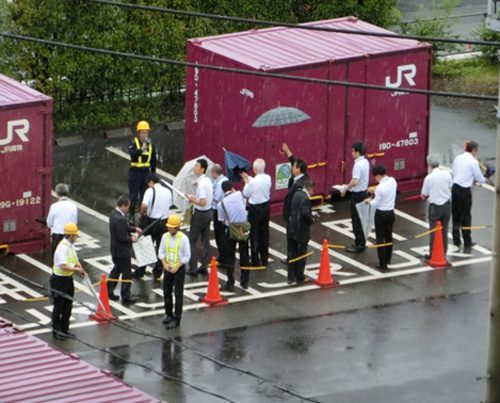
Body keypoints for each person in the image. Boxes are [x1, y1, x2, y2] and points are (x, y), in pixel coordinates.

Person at [50, 222, 87, 340]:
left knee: (68, 305)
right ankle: (57, 330)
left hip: (68, 279)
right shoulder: (62, 248)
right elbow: (63, 266)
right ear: (70, 235)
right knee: (59, 306)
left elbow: (75, 259)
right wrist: (77, 269)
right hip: (59, 280)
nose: (76, 237)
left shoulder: (71, 246)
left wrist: (80, 269)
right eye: (75, 235)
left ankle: (65, 329)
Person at [134, 173, 173, 280]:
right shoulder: (167, 191)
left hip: (152, 222)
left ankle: (141, 271)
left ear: (151, 182)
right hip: (165, 222)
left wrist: (141, 213)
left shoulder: (150, 191)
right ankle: (158, 271)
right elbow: (170, 205)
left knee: (145, 246)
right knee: (161, 248)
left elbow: (144, 205)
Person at [451, 141, 486, 251]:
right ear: (474, 150)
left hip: (455, 188)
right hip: (464, 190)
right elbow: (480, 178)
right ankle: (467, 241)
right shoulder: (473, 162)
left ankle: (456, 239)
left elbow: (455, 171)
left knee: (455, 214)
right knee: (465, 216)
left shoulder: (458, 158)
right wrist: (483, 180)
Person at [158, 214, 191, 329]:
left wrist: (178, 266)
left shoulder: (184, 239)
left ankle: (177, 319)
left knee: (178, 294)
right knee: (166, 292)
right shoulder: (164, 237)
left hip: (179, 269)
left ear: (177, 227)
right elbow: (161, 252)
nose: (169, 228)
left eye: (171, 227)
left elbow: (187, 256)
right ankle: (168, 314)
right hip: (168, 268)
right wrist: (164, 264)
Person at [217, 180, 251, 291]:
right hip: (243, 228)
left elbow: (222, 220)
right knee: (244, 254)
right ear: (232, 187)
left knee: (230, 256)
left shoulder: (221, 204)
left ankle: (230, 282)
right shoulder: (239, 194)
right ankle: (245, 281)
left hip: (231, 229)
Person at [108, 195, 142, 304]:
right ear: (123, 206)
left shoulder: (114, 215)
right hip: (123, 251)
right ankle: (126, 295)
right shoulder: (121, 219)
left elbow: (124, 227)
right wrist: (132, 238)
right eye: (127, 207)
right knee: (126, 273)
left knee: (116, 270)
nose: (128, 209)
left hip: (115, 249)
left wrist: (133, 228)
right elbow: (122, 236)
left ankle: (109, 290)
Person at [364, 165, 397, 270]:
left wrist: (369, 202)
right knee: (388, 236)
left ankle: (382, 263)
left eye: (375, 177)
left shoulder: (380, 188)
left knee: (380, 238)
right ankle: (388, 258)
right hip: (391, 212)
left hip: (381, 214)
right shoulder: (392, 181)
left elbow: (376, 203)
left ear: (378, 175)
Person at [281, 142, 309, 265]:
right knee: (290, 238)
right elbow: (294, 161)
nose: (292, 168)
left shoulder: (302, 183)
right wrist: (288, 151)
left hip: (295, 217)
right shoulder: (301, 177)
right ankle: (291, 257)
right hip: (292, 216)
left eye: (294, 167)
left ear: (298, 169)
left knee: (295, 239)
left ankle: (295, 259)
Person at [421, 155, 452, 259]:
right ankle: (444, 250)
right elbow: (450, 186)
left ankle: (433, 252)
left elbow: (424, 194)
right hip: (447, 205)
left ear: (429, 164)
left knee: (434, 231)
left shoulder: (429, 178)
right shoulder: (447, 174)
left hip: (435, 207)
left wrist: (425, 195)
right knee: (445, 229)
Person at [242, 158, 272, 267]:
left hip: (255, 208)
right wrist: (249, 180)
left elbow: (245, 193)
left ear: (254, 169)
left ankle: (255, 259)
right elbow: (257, 183)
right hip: (266, 206)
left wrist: (246, 182)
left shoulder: (252, 182)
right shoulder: (268, 178)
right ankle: (265, 258)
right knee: (264, 232)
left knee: (254, 234)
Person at [186, 158, 213, 276]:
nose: (194, 168)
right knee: (205, 241)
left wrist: (192, 199)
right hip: (208, 213)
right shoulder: (207, 180)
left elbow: (202, 202)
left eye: (197, 166)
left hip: (200, 214)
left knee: (192, 241)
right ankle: (204, 266)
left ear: (202, 169)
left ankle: (192, 268)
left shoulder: (202, 184)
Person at [287, 179, 316, 285]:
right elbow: (305, 214)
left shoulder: (296, 194)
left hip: (292, 228)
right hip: (301, 231)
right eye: (313, 190)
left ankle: (290, 277)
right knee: (301, 255)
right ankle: (300, 276)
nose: (313, 193)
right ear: (310, 188)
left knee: (292, 254)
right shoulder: (305, 199)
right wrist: (313, 219)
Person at [128, 120, 157, 224]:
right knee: (133, 196)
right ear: (139, 133)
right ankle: (131, 216)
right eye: (143, 132)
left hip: (146, 173)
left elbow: (153, 160)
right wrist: (141, 149)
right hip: (135, 173)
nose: (145, 134)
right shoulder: (133, 143)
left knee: (144, 196)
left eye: (146, 132)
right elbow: (133, 156)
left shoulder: (150, 144)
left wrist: (153, 175)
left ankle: (142, 217)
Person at [344, 142, 370, 253]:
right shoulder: (365, 162)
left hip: (357, 195)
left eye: (353, 151)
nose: (352, 153)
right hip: (363, 193)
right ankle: (361, 242)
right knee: (361, 219)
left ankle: (359, 244)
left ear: (357, 152)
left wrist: (347, 187)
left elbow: (355, 181)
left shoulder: (358, 165)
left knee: (356, 220)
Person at [47, 183, 78, 257]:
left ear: (57, 193)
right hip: (70, 236)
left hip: (57, 236)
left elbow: (49, 223)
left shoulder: (54, 206)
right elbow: (75, 222)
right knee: (69, 257)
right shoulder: (73, 206)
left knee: (57, 259)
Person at [211, 164, 229, 269]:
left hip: (219, 211)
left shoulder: (219, 183)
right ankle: (222, 256)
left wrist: (210, 195)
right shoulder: (222, 180)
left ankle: (223, 257)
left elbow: (217, 197)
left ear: (214, 172)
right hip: (222, 210)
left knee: (220, 235)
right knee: (221, 235)